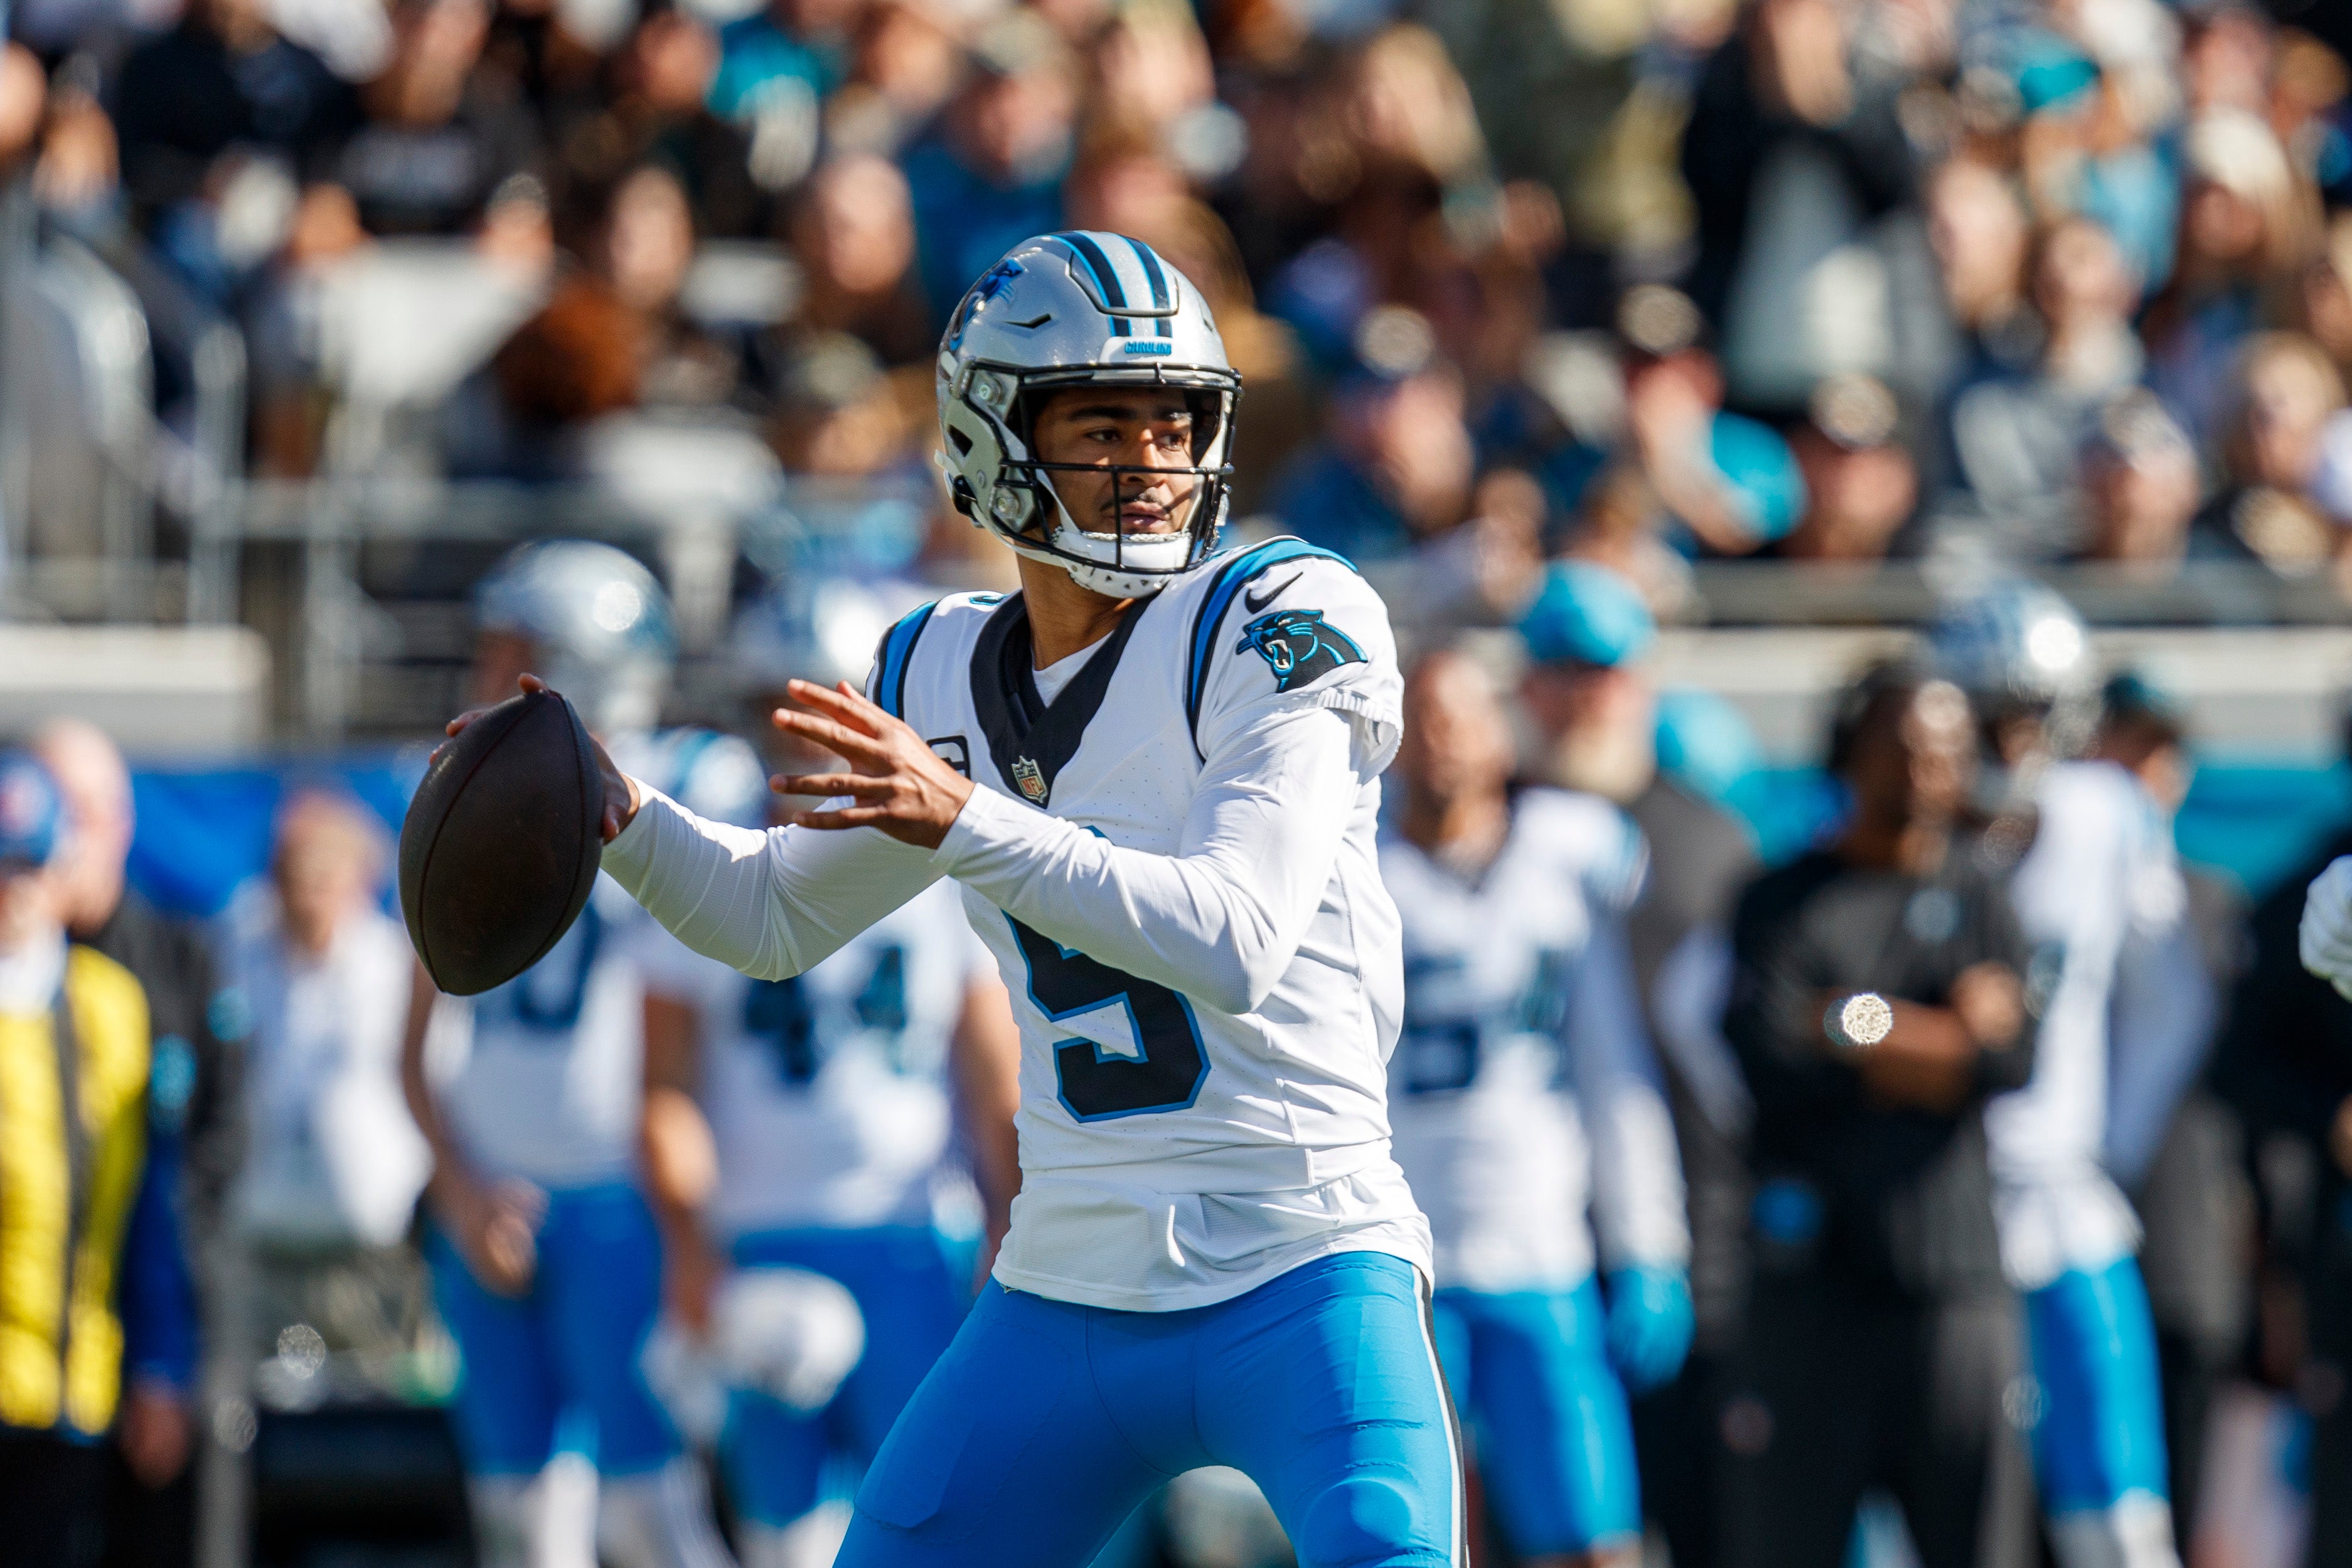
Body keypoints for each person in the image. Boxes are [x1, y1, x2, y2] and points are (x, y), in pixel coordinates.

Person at [450, 231, 1463, 1567]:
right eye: (1101, 421)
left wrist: (967, 818)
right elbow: (771, 918)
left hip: (1302, 1259)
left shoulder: (1277, 612)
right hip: (1067, 1283)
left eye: (1174, 426)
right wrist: (616, 815)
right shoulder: (936, 666)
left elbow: (1235, 936)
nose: (1150, 465)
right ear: (993, 434)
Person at [635, 579, 1022, 1568]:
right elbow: (665, 1086)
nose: (810, 735)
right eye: (790, 704)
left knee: (931, 1528)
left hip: (908, 1240)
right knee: (787, 1538)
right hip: (764, 1237)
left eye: (836, 702)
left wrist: (1009, 1225)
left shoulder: (942, 860)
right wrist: (688, 1242)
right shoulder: (717, 849)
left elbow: (992, 1080)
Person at [400, 541, 744, 1568]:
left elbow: (687, 1030)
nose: (486, 666)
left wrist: (688, 1220)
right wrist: (459, 1189)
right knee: (520, 1522)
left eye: (515, 646)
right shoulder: (464, 773)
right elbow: (407, 1037)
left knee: (653, 1512)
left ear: (581, 661)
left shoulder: (695, 776)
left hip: (624, 1199)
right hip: (495, 1192)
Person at [1720, 663, 2036, 1568]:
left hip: (1956, 1277)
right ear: (1850, 755)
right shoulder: (1781, 898)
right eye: (1902, 748)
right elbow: (1773, 1045)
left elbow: (2009, 1056)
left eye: (1945, 750)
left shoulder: (1983, 895)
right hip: (1812, 1283)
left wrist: (1851, 1025)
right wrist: (1913, 1030)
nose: (1926, 771)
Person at [1382, 647, 1689, 1568]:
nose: (1444, 742)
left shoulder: (1571, 849)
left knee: (1594, 1534)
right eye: (1424, 718)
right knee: (1408, 1538)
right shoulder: (1348, 859)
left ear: (1502, 725)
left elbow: (1612, 1064)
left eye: (1463, 716)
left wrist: (1649, 1243)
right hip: (1400, 1254)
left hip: (1539, 1247)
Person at [1928, 585, 2214, 1568]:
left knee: (2121, 1509)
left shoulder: (2106, 815)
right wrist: (1870, 1043)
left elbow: (2170, 1001)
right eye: (1995, 714)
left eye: (2033, 715)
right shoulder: (1896, 829)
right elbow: (1799, 1000)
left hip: (2063, 1195)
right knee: (1934, 1507)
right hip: (1928, 1211)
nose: (2014, 743)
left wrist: (2113, 1143)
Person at [1514, 561, 1757, 1568]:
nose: (1582, 694)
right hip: (1531, 1239)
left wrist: (1721, 1247)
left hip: (1699, 1237)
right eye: (1560, 669)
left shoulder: (1702, 840)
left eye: (1602, 670)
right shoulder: (1485, 821)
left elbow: (1747, 1054)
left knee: (1710, 1520)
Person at [31, 718, 231, 1568]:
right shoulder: (21, 972)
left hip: (164, 1336)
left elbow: (212, 1161)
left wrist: (168, 1355)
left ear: (118, 820)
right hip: (39, 1368)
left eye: (77, 809)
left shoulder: (181, 959)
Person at [0, 752, 197, 1567]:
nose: (13, 890)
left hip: (74, 1381)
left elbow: (154, 1201)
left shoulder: (109, 1004)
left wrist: (161, 1359)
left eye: (28, 865)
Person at [221, 789, 431, 1394]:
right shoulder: (233, 956)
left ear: (359, 875)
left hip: (371, 1262)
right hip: (260, 1254)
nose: (302, 889)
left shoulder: (396, 968)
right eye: (288, 870)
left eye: (320, 870)